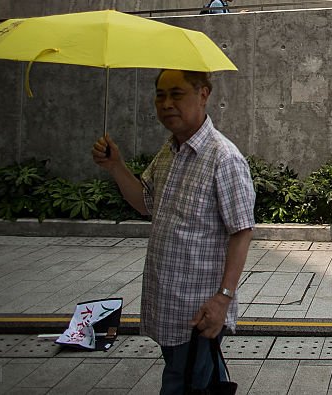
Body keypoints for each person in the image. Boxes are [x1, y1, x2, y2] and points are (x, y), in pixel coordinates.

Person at [92, 70, 256, 395]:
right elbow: (144, 202)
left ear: (203, 94)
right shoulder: (170, 151)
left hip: (199, 311)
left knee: (183, 383)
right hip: (168, 304)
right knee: (199, 380)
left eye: (177, 94)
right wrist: (116, 166)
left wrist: (222, 300)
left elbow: (242, 231)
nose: (166, 104)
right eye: (160, 95)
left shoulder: (224, 158)